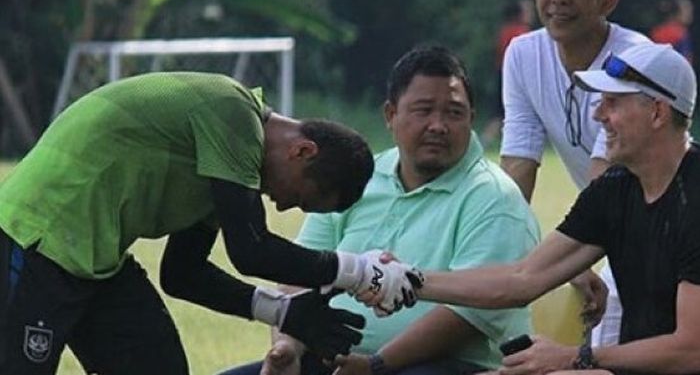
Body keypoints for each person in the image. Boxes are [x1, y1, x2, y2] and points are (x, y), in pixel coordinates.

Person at [0, 72, 423, 375]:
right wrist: (358, 272)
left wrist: (284, 311)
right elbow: (251, 249)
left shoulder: (224, 164)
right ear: (302, 151)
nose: (281, 204)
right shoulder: (231, 114)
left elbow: (184, 275)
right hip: (32, 239)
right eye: (298, 198)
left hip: (93, 259)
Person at [219, 46, 540, 375]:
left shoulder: (495, 197)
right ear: (390, 115)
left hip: (444, 367)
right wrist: (289, 346)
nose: (438, 125)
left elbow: (470, 316)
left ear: (471, 118)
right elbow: (298, 277)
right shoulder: (359, 177)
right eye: (423, 110)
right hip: (333, 360)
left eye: (454, 113)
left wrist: (376, 365)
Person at [406, 42, 700, 374]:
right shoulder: (617, 186)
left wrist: (578, 357)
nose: (598, 114)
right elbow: (522, 278)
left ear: (657, 112)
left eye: (612, 102)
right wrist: (407, 282)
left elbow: (691, 351)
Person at [499, 0, 654, 346]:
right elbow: (517, 166)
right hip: (618, 228)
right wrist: (502, 247)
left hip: (666, 231)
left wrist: (565, 264)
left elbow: (607, 180)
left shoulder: (632, 58)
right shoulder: (522, 54)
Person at [481, 0, 535, 146]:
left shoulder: (504, 30)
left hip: (501, 74)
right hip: (512, 77)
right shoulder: (521, 33)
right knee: (507, 115)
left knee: (499, 115)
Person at [650, 0, 694, 64]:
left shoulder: (657, 31)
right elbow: (685, 61)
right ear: (676, 12)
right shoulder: (680, 33)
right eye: (687, 10)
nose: (690, 14)